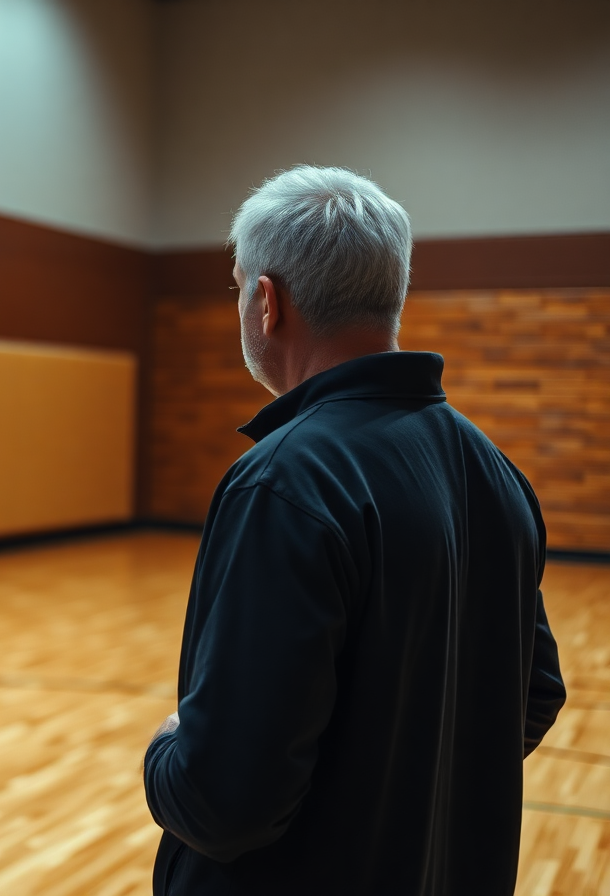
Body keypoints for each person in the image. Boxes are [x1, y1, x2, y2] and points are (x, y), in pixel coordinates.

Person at [142, 166, 567, 895]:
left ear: (267, 302)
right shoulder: (494, 471)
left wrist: (164, 752)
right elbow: (536, 694)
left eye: (238, 288)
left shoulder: (286, 482)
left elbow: (225, 801)